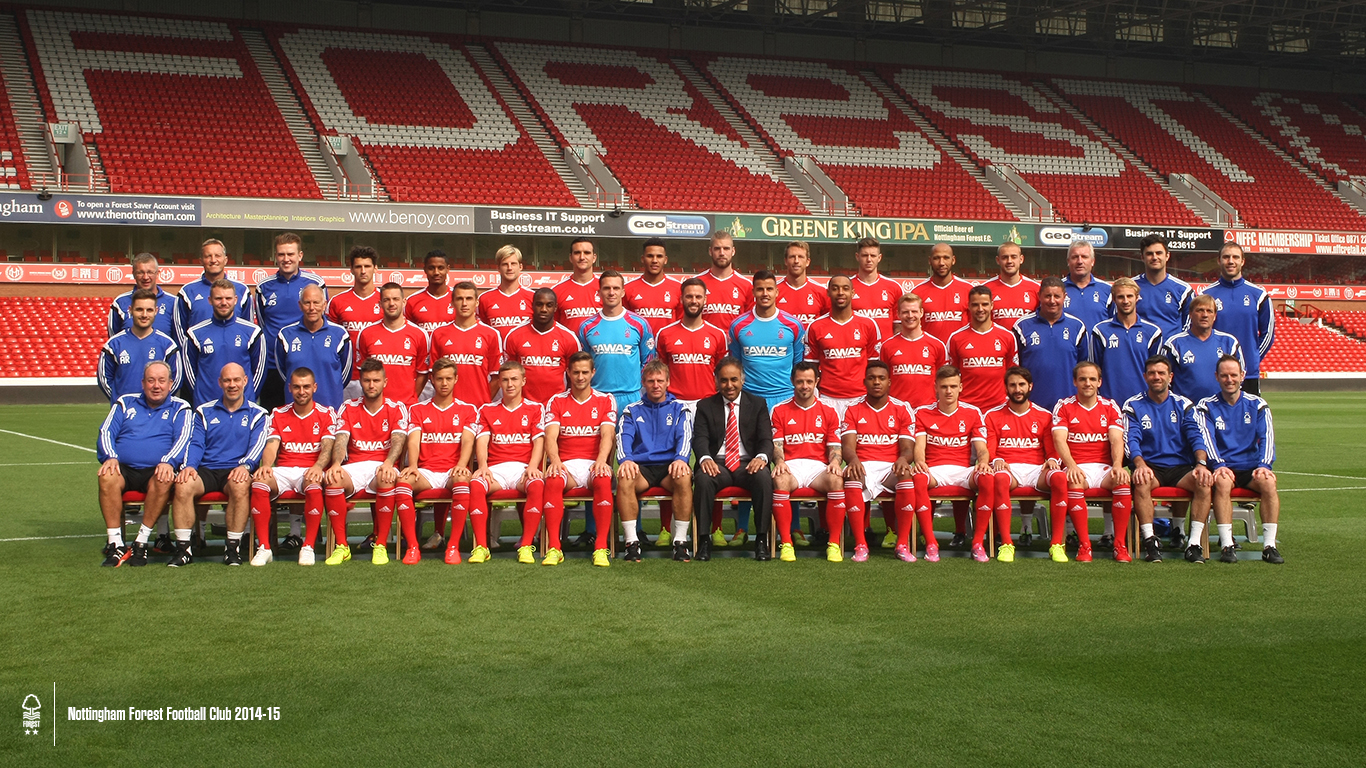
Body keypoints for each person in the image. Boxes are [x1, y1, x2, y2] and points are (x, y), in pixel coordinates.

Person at [166, 363, 269, 567]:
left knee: (240, 487)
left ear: (245, 381)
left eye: (236, 380)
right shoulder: (204, 411)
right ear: (220, 382)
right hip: (207, 470)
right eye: (227, 380)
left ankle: (232, 548)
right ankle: (184, 549)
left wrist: (246, 466)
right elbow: (195, 443)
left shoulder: (258, 414)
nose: (232, 385)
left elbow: (257, 447)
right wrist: (190, 467)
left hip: (236, 469)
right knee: (183, 484)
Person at [96, 361, 193, 567]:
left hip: (156, 470)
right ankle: (116, 543)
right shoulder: (125, 402)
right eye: (151, 380)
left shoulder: (180, 407)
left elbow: (183, 439)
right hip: (124, 469)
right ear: (143, 383)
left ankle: (141, 541)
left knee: (164, 477)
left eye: (161, 381)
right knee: (107, 475)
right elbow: (106, 432)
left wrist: (168, 461)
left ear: (170, 383)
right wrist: (110, 456)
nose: (156, 386)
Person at [323, 358, 417, 566]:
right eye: (367, 380)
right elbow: (341, 440)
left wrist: (389, 463)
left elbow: (398, 441)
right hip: (355, 467)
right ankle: (342, 546)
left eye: (376, 380)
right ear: (361, 382)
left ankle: (381, 544)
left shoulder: (396, 408)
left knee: (386, 477)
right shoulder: (348, 407)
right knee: (333, 479)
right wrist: (336, 463)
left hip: (381, 465)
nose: (371, 385)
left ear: (385, 382)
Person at [1193, 355, 1283, 564]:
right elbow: (1206, 439)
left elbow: (1267, 437)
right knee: (1223, 482)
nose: (1229, 380)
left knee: (1269, 482)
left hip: (1251, 468)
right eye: (1224, 375)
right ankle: (1227, 545)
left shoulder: (1258, 405)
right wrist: (1219, 465)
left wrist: (1264, 465)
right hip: (1224, 468)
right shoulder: (1207, 406)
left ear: (1242, 376)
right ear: (1216, 377)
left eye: (1234, 375)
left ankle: (1269, 546)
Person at [1123, 356, 1213, 563]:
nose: (1157, 377)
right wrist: (1139, 464)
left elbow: (1196, 436)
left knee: (1203, 482)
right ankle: (1150, 541)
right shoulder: (1133, 405)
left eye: (1161, 373)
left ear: (1170, 377)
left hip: (1181, 467)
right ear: (1145, 377)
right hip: (1151, 466)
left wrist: (1201, 464)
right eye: (1152, 373)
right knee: (1141, 481)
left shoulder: (1184, 404)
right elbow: (1131, 439)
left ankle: (1194, 544)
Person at [248, 367, 337, 567]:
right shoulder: (278, 413)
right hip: (285, 469)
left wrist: (318, 466)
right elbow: (272, 444)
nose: (301, 391)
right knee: (259, 481)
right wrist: (267, 466)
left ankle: (308, 547)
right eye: (296, 387)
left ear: (314, 387)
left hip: (310, 469)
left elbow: (328, 447)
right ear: (290, 388)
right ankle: (264, 548)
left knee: (313, 483)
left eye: (306, 386)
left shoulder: (326, 414)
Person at [691, 357, 774, 562]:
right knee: (702, 479)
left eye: (734, 379)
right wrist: (705, 459)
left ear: (742, 380)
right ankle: (703, 540)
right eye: (724, 380)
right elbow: (699, 438)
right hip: (717, 464)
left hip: (747, 464)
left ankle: (761, 540)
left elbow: (766, 439)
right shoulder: (705, 405)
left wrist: (762, 458)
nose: (729, 385)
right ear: (716, 381)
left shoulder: (757, 404)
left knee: (764, 478)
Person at [1051, 361, 1133, 563]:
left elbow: (1116, 439)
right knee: (1073, 480)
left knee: (1122, 480)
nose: (1087, 383)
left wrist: (1117, 465)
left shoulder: (1110, 406)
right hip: (1077, 466)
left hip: (1104, 467)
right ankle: (1085, 545)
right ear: (1075, 382)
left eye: (1092, 379)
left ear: (1099, 382)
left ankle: (1119, 545)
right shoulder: (1064, 406)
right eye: (1083, 379)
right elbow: (1059, 439)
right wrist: (1070, 465)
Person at [544, 352, 619, 566]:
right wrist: (555, 461)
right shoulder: (556, 400)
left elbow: (607, 435)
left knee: (603, 479)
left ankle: (601, 547)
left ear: (593, 373)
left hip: (592, 463)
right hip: (566, 464)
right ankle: (554, 548)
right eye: (575, 372)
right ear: (568, 372)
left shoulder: (605, 399)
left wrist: (602, 461)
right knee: (553, 480)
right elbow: (551, 436)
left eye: (585, 372)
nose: (580, 377)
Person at [983, 367, 1066, 563]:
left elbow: (1052, 449)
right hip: (1009, 469)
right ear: (1006, 388)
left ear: (1030, 386)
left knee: (1060, 478)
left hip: (1036, 469)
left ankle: (1056, 544)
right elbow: (989, 450)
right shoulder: (992, 415)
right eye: (1012, 385)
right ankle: (1006, 544)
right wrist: (996, 460)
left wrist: (1053, 459)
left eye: (1021, 384)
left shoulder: (1044, 416)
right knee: (1000, 478)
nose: (1017, 389)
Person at [401, 359, 479, 565]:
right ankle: (412, 547)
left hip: (451, 471)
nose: (444, 383)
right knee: (403, 483)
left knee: (462, 480)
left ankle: (453, 546)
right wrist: (414, 465)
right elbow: (414, 440)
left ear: (456, 380)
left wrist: (462, 465)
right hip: (426, 471)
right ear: (432, 381)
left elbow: (468, 442)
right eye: (439, 379)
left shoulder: (468, 410)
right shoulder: (417, 410)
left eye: (448, 379)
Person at [468, 361, 546, 565]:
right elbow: (482, 440)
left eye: (514, 379)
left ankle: (526, 545)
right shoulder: (487, 410)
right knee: (476, 484)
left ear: (523, 381)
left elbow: (539, 442)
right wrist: (483, 466)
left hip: (523, 469)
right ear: (499, 383)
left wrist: (532, 466)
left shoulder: (535, 408)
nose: (509, 384)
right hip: (496, 471)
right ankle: (481, 547)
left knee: (537, 484)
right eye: (504, 380)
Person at [616, 360, 695, 563]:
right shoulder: (631, 410)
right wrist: (625, 460)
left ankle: (680, 542)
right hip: (642, 469)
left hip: (670, 467)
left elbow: (685, 437)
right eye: (651, 381)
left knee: (684, 475)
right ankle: (631, 543)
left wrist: (681, 459)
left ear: (668, 381)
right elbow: (623, 437)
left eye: (660, 380)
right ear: (643, 382)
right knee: (625, 477)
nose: (656, 385)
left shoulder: (680, 408)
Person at [910, 366, 989, 562]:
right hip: (935, 471)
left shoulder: (973, 412)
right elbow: (919, 447)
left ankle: (978, 543)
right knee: (918, 478)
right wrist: (920, 461)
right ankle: (931, 543)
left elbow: (981, 448)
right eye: (944, 386)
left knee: (987, 478)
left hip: (963, 471)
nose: (948, 391)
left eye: (953, 386)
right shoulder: (922, 412)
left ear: (961, 387)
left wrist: (984, 462)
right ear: (935, 387)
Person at [840, 360, 917, 563]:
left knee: (907, 474)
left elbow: (908, 448)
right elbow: (847, 446)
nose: (876, 382)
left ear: (889, 382)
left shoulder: (903, 408)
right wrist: (854, 459)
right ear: (864, 381)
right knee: (852, 475)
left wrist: (902, 458)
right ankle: (861, 545)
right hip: (863, 465)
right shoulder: (852, 408)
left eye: (881, 378)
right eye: (872, 378)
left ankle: (902, 544)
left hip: (889, 467)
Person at [771, 362, 846, 562]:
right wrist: (779, 461)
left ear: (817, 382)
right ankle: (786, 543)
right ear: (792, 382)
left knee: (836, 480)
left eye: (809, 382)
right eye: (800, 381)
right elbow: (776, 447)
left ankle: (834, 544)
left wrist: (835, 463)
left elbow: (835, 448)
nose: (805, 386)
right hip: (792, 466)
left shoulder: (829, 411)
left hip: (817, 468)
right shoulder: (779, 410)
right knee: (780, 480)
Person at [255, 233, 327, 409]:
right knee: (274, 417)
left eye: (290, 254)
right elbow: (263, 323)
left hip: (304, 363)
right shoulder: (263, 287)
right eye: (281, 254)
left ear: (300, 256)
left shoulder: (316, 283)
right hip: (272, 366)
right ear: (275, 256)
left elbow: (321, 318)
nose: (286, 259)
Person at [1200, 242, 1273, 395]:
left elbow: (1268, 334)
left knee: (1248, 417)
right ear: (1219, 261)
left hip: (1248, 373)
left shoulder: (1259, 295)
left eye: (1235, 257)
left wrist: (1251, 358)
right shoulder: (1206, 296)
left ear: (1242, 261)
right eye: (1226, 257)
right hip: (1215, 371)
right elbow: (1198, 332)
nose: (1231, 261)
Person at [577, 270, 655, 412]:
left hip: (631, 397)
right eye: (606, 288)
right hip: (598, 397)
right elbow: (583, 364)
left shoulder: (639, 324)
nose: (611, 292)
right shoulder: (586, 326)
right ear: (599, 292)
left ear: (623, 292)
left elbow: (649, 360)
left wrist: (639, 385)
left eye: (616, 288)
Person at [805, 275, 880, 422]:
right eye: (835, 288)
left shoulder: (868, 325)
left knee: (860, 444)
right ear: (828, 292)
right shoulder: (815, 327)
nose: (840, 292)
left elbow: (874, 366)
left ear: (853, 293)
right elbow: (811, 368)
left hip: (861, 397)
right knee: (831, 444)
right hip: (828, 398)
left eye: (845, 289)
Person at [183, 279, 266, 407]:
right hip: (206, 406)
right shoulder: (194, 334)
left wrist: (247, 396)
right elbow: (190, 374)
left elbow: (259, 372)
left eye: (228, 298)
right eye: (218, 298)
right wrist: (202, 395)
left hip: (243, 406)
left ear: (235, 300)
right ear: (210, 300)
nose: (223, 303)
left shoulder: (253, 333)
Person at [730, 270, 803, 411]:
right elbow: (736, 365)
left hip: (785, 396)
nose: (765, 294)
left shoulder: (793, 325)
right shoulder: (738, 326)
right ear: (753, 292)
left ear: (776, 292)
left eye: (769, 289)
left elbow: (798, 365)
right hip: (750, 397)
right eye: (760, 289)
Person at [1013, 276, 1087, 414]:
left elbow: (1084, 369)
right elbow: (1016, 370)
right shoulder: (1022, 326)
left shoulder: (1077, 327)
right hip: (1031, 406)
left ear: (1065, 297)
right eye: (1047, 296)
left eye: (1057, 296)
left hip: (1069, 408)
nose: (1052, 301)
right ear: (1039, 296)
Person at [274, 284, 351, 411]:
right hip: (296, 410)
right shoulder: (285, 335)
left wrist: (330, 386)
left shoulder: (340, 335)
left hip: (330, 409)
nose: (312, 308)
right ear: (300, 305)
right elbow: (284, 372)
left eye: (316, 302)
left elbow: (344, 375)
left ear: (324, 305)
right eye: (307, 303)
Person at [654, 277, 729, 407]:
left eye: (698, 297)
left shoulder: (718, 335)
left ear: (705, 300)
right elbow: (660, 371)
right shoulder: (664, 334)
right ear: (681, 299)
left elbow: (722, 371)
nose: (694, 301)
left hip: (708, 403)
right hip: (674, 403)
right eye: (689, 297)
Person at [1090, 277, 1164, 407]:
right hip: (1109, 404)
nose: (1125, 301)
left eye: (1129, 296)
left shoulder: (1153, 332)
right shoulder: (1100, 331)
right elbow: (1094, 369)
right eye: (1120, 297)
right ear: (1113, 299)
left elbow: (1156, 371)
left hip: (1143, 405)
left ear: (1137, 298)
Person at [99, 288, 181, 402]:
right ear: (130, 310)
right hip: (125, 413)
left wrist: (158, 400)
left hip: (156, 412)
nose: (144, 315)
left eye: (149, 310)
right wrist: (119, 401)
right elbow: (104, 379)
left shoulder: (168, 345)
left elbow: (176, 379)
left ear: (156, 311)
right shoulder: (114, 344)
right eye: (139, 310)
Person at [355, 282, 430, 406]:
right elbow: (362, 372)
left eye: (396, 299)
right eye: (386, 300)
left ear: (404, 302)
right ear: (380, 304)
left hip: (406, 406)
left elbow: (423, 374)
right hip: (376, 407)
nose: (391, 304)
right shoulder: (366, 334)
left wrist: (410, 398)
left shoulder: (419, 334)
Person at [946, 285, 1019, 411]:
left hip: (999, 408)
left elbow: (1012, 374)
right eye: (975, 305)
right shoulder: (956, 338)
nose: (980, 309)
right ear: (968, 306)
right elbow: (951, 376)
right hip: (967, 407)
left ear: (992, 305)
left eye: (985, 304)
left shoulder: (1007, 337)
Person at [430, 281, 503, 406]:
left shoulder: (491, 334)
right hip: (448, 409)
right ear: (452, 303)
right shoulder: (438, 334)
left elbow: (496, 377)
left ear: (476, 302)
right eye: (459, 299)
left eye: (469, 299)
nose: (464, 304)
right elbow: (433, 374)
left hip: (479, 408)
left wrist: (482, 402)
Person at [503, 288, 581, 404]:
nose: (544, 309)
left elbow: (574, 376)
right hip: (524, 406)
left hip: (557, 405)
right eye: (539, 304)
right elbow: (508, 373)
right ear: (532, 305)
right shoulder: (514, 336)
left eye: (549, 305)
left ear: (555, 307)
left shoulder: (569, 338)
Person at [326, 245, 382, 400]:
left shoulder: (386, 301)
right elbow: (330, 338)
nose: (363, 271)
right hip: (347, 377)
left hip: (376, 377)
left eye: (367, 266)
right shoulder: (338, 302)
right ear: (351, 269)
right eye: (358, 266)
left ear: (375, 268)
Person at [1164, 294, 1244, 404]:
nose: (1205, 315)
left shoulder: (1229, 343)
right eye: (1200, 310)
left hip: (1220, 409)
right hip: (1186, 411)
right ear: (1190, 314)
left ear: (1215, 315)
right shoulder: (1174, 344)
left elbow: (1240, 377)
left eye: (1209, 311)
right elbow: (1164, 378)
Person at [877, 293, 948, 411]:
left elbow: (943, 381)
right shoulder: (887, 346)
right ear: (898, 314)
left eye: (914, 311)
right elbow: (884, 382)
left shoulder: (937, 345)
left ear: (921, 312)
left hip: (928, 409)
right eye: (905, 312)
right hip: (897, 410)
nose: (910, 316)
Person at [175, 239, 252, 346]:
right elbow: (179, 330)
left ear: (225, 260)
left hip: (235, 355)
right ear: (200, 261)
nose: (213, 260)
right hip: (201, 357)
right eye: (208, 256)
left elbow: (249, 328)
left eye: (217, 256)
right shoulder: (187, 292)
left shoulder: (242, 290)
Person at [1132, 234, 1193, 340]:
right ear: (1142, 257)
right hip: (1140, 351)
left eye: (1159, 253)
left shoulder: (1183, 290)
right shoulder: (1131, 287)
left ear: (1167, 256)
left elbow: (1189, 327)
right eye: (1149, 254)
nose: (1155, 257)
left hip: (1170, 353)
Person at [911, 243, 972, 342]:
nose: (941, 263)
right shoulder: (917, 293)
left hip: (960, 352)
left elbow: (975, 327)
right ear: (929, 261)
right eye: (936, 258)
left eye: (946, 258)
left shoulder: (968, 290)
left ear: (953, 260)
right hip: (929, 352)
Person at [696, 230, 753, 332]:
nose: (722, 253)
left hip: (734, 345)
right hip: (706, 344)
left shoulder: (746, 285)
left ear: (733, 251)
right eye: (717, 249)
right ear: (710, 251)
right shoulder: (696, 283)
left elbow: (751, 322)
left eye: (726, 248)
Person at [108, 252, 176, 338]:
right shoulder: (120, 303)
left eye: (150, 272)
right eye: (140, 272)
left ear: (157, 273)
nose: (145, 277)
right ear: (133, 274)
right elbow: (114, 340)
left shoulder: (174, 303)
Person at [623, 237, 681, 334]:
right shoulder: (628, 289)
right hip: (638, 347)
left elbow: (682, 323)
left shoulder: (678, 289)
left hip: (667, 346)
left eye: (659, 256)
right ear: (642, 259)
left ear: (665, 260)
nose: (654, 260)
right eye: (650, 256)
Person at [849, 237, 903, 340]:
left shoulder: (894, 287)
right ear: (857, 257)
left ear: (879, 257)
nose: (869, 259)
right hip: (858, 351)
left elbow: (898, 325)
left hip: (885, 351)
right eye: (865, 255)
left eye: (873, 256)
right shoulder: (847, 287)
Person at [478, 244, 535, 341]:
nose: (509, 268)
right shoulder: (484, 298)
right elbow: (480, 331)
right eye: (505, 264)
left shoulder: (533, 297)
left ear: (520, 266)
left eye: (513, 264)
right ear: (498, 268)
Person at [982, 241, 1040, 331]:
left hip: (1026, 343)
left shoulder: (1036, 289)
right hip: (998, 343)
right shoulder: (985, 289)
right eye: (1005, 257)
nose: (1009, 261)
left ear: (1021, 259)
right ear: (998, 260)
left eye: (1014, 257)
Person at [553, 238, 603, 333]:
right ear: (570, 258)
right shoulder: (557, 291)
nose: (582, 257)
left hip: (600, 346)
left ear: (594, 258)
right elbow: (553, 327)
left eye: (587, 253)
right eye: (577, 253)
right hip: (570, 347)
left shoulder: (606, 288)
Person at [1061, 239, 1112, 329]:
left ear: (1092, 261)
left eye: (1084, 257)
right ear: (1068, 261)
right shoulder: (1057, 289)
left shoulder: (1108, 290)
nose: (1080, 261)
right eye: (1075, 257)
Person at [776, 240, 829, 326]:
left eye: (800, 257)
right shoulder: (774, 291)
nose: (796, 261)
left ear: (807, 262)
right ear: (786, 261)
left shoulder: (821, 291)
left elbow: (828, 323)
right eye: (792, 257)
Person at [405, 249, 456, 335]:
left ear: (448, 269)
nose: (436, 272)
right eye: (431, 268)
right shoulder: (412, 301)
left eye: (440, 268)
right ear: (425, 269)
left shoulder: (459, 298)